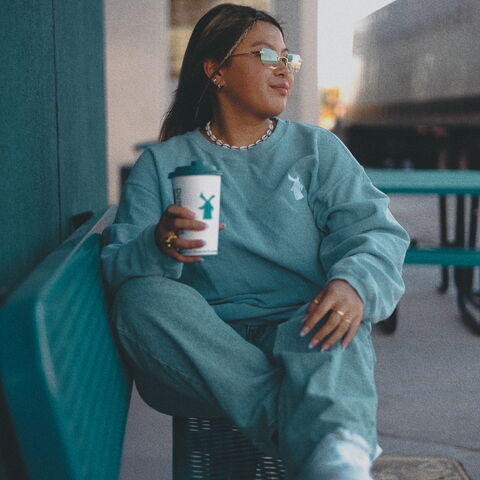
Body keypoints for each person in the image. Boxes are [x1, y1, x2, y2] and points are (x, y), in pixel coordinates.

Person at [101, 3, 410, 479]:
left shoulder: (316, 149)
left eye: (289, 58)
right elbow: (119, 265)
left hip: (303, 330)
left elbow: (375, 233)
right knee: (140, 299)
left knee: (336, 319)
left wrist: (354, 285)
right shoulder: (162, 164)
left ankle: (336, 458)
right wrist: (157, 245)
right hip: (206, 346)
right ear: (216, 70)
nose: (284, 69)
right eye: (267, 56)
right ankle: (323, 445)